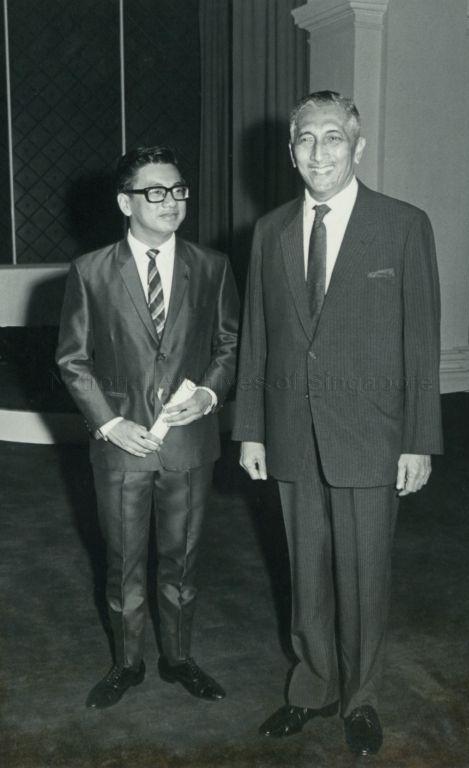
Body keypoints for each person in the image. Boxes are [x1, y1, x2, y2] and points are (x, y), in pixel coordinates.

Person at [232, 91, 443, 756]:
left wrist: (418, 440)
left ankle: (361, 697)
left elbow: (420, 341)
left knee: (363, 573)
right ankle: (312, 686)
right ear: (291, 151)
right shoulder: (268, 231)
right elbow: (257, 340)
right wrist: (251, 430)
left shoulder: (402, 225)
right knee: (307, 574)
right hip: (291, 432)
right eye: (304, 140)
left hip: (372, 435)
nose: (317, 152)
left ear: (356, 147)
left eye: (331, 138)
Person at [57, 145, 239, 709]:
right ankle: (126, 663)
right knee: (124, 564)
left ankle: (179, 658)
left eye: (178, 190)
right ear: (124, 202)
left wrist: (209, 392)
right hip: (121, 446)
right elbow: (72, 359)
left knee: (182, 563)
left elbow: (229, 343)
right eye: (155, 192)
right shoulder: (90, 271)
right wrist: (108, 423)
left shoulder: (212, 266)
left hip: (188, 444)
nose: (171, 202)